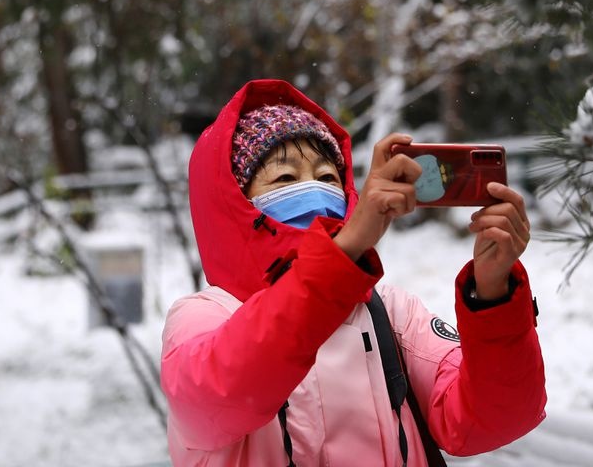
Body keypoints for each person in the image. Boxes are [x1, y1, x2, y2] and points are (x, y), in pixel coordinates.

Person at [160, 78, 547, 466]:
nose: (314, 190)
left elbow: (494, 418)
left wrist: (493, 293)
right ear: (235, 202)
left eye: (328, 177)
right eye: (285, 178)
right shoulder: (202, 318)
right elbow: (222, 394)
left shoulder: (392, 313)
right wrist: (342, 253)